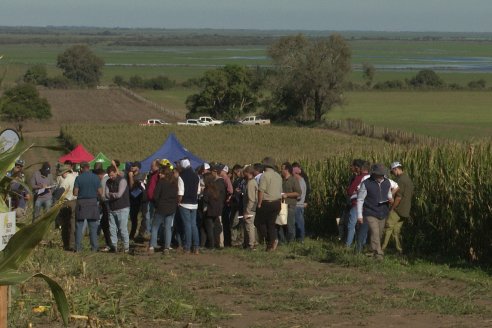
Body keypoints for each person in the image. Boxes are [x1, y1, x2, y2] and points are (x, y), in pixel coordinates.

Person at [357, 163, 393, 260]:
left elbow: (389, 193)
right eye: (379, 174)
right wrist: (360, 215)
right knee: (375, 232)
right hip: (370, 212)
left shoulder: (387, 182)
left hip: (383, 212)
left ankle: (372, 252)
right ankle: (379, 254)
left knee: (378, 233)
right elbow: (360, 200)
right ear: (374, 174)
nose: (381, 176)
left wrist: (390, 198)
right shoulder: (366, 184)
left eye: (382, 174)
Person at [382, 161, 414, 254]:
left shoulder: (400, 180)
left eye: (392, 172)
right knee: (396, 231)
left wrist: (392, 208)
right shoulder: (408, 179)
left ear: (396, 169)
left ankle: (381, 249)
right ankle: (399, 250)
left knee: (387, 228)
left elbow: (398, 197)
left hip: (398, 209)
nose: (393, 174)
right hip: (406, 210)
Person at [73, 161, 102, 252]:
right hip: (93, 202)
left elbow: (75, 193)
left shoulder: (78, 178)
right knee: (93, 227)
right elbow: (101, 192)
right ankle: (94, 248)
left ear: (81, 168)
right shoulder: (96, 178)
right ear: (89, 167)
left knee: (79, 226)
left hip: (82, 203)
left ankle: (78, 248)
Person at [149, 165, 178, 254]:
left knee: (154, 227)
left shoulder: (161, 182)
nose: (159, 174)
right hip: (171, 208)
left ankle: (152, 247)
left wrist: (157, 205)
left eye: (161, 173)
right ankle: (166, 248)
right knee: (168, 228)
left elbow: (155, 196)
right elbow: (175, 197)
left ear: (165, 174)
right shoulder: (174, 183)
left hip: (161, 208)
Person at [256, 157, 282, 251]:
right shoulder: (278, 175)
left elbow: (261, 190)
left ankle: (270, 240)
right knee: (271, 224)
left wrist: (259, 203)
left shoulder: (265, 176)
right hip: (277, 202)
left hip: (267, 202)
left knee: (259, 223)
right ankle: (272, 242)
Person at [105, 165, 131, 253]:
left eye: (112, 175)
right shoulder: (108, 182)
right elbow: (106, 194)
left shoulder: (122, 180)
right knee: (112, 228)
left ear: (116, 172)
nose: (111, 177)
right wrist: (112, 194)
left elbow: (119, 194)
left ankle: (126, 247)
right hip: (112, 208)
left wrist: (111, 194)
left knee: (122, 228)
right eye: (109, 175)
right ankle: (114, 246)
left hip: (122, 207)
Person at [177, 158, 200, 254]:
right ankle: (196, 247)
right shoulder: (196, 176)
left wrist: (178, 202)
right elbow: (198, 191)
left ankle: (187, 247)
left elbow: (180, 193)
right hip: (194, 203)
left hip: (184, 203)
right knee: (193, 225)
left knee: (187, 225)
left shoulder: (181, 176)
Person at [57, 164, 78, 251]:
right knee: (73, 224)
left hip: (66, 202)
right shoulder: (75, 177)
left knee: (65, 224)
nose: (61, 175)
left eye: (62, 173)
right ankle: (73, 244)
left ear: (65, 172)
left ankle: (66, 244)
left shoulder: (65, 181)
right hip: (76, 201)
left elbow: (59, 193)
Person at [280, 162, 301, 243]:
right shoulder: (281, 180)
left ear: (287, 170)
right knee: (281, 223)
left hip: (290, 205)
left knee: (290, 224)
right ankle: (283, 240)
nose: (281, 170)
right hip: (282, 205)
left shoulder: (293, 180)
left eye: (282, 168)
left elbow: (298, 192)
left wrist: (287, 195)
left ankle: (291, 241)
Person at [202, 172, 223, 250]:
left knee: (209, 229)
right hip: (216, 211)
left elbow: (205, 200)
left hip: (209, 211)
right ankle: (216, 244)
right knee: (217, 228)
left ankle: (211, 246)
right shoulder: (216, 188)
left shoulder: (207, 189)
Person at [128, 161, 148, 241]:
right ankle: (132, 234)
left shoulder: (142, 175)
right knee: (133, 218)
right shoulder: (129, 174)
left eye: (134, 166)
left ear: (138, 168)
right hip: (133, 200)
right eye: (132, 165)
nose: (132, 167)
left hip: (141, 199)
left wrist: (130, 177)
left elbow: (132, 186)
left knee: (144, 217)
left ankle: (141, 233)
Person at [242, 165, 258, 250]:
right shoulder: (251, 182)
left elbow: (251, 199)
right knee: (249, 225)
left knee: (249, 226)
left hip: (250, 209)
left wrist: (247, 211)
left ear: (248, 173)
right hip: (251, 208)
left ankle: (251, 244)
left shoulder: (251, 183)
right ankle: (251, 242)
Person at [230, 164, 245, 247]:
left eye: (237, 172)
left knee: (239, 223)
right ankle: (234, 240)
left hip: (241, 205)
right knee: (234, 222)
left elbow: (244, 192)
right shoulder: (236, 180)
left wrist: (240, 192)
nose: (237, 174)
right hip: (236, 204)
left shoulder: (244, 181)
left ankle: (240, 240)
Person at [293, 166, 307, 243]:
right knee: (297, 223)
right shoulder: (299, 181)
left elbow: (299, 196)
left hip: (298, 205)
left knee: (299, 223)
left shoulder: (300, 182)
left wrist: (290, 196)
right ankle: (299, 238)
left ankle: (301, 238)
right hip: (298, 205)